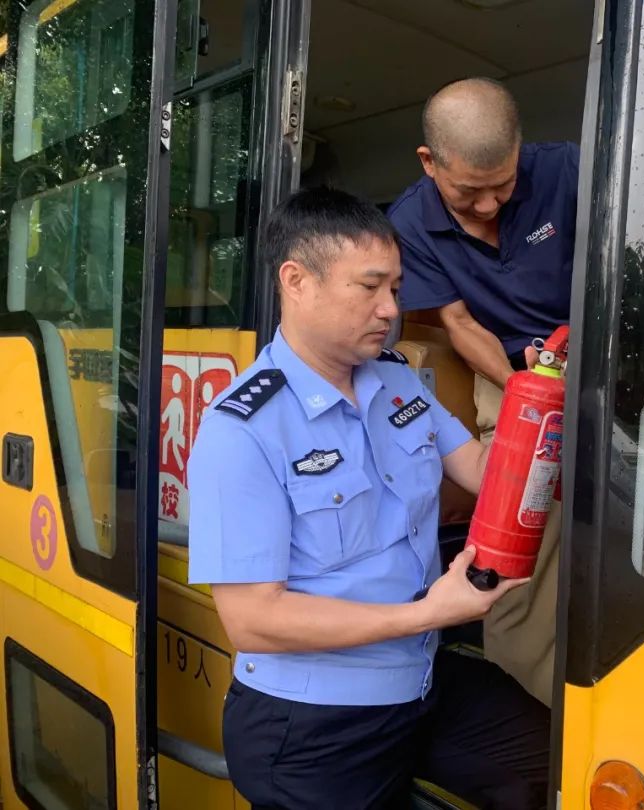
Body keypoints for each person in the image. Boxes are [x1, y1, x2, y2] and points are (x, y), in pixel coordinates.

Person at [187, 187, 549, 810]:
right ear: (297, 281)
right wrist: (432, 613)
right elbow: (253, 621)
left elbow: (486, 470)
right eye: (370, 287)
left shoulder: (396, 378)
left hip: (421, 677)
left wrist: (543, 409)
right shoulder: (242, 429)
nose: (390, 309)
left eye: (397, 289)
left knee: (561, 761)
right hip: (315, 726)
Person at [388, 77, 577, 707]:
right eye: (471, 190)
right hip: (508, 374)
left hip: (594, 358)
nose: (491, 205)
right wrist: (529, 391)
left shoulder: (567, 172)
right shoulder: (409, 222)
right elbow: (461, 325)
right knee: (521, 525)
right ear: (429, 161)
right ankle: (523, 692)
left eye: (504, 184)